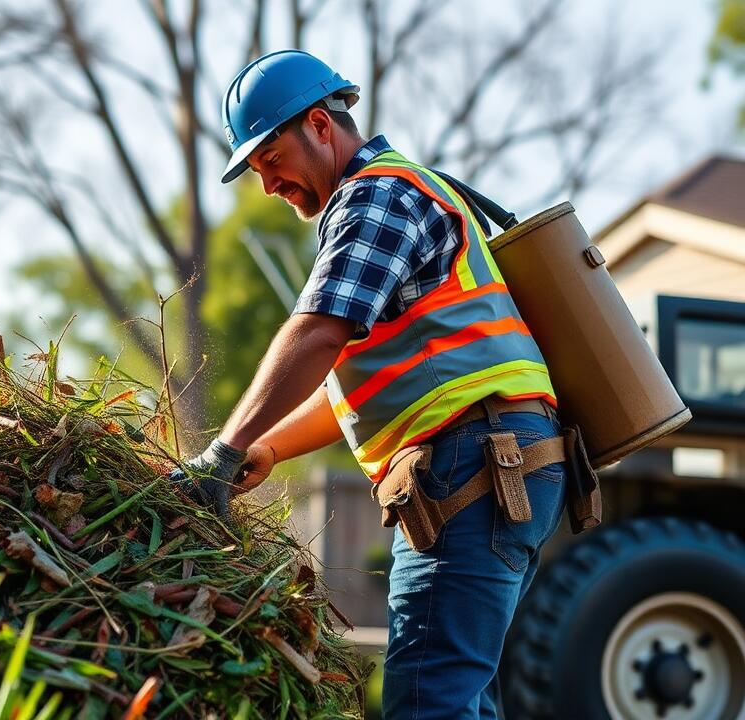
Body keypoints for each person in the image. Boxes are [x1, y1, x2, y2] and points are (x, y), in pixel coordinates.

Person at [168, 49, 567, 719]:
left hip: (472, 466)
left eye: (272, 162)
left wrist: (222, 453)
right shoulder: (398, 196)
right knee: (457, 697)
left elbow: (316, 335)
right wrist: (266, 449)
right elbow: (356, 386)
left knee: (427, 702)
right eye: (258, 172)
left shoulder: (377, 197)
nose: (269, 186)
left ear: (320, 126)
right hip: (495, 462)